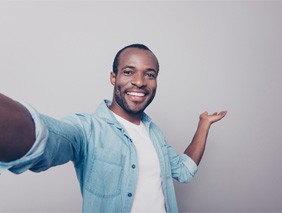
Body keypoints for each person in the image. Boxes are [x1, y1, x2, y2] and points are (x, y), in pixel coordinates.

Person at [0, 44, 227, 212]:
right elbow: (48, 137)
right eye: (129, 72)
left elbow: (184, 171)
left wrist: (203, 124)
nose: (140, 82)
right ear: (113, 77)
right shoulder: (87, 128)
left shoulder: (154, 134)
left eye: (150, 74)